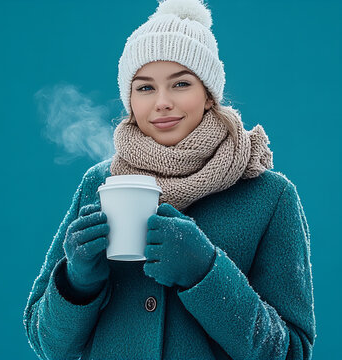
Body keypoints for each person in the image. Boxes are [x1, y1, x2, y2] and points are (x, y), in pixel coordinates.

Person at [22, 0, 316, 359]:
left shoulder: (269, 196)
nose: (161, 102)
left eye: (180, 84)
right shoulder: (99, 183)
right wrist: (77, 282)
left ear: (208, 95)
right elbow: (47, 344)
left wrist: (206, 271)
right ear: (129, 100)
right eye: (145, 88)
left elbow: (292, 353)